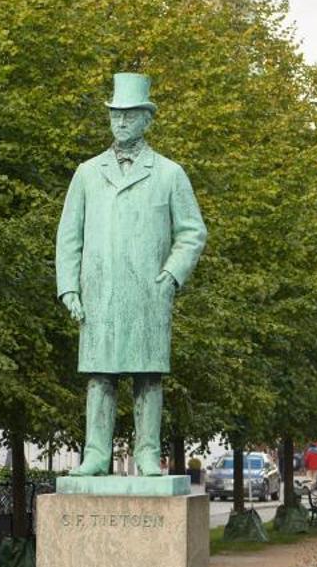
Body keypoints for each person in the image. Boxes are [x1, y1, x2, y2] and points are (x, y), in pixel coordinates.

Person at [56, 72, 207, 475]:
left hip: (147, 291)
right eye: (114, 115)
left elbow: (192, 232)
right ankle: (96, 453)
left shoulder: (170, 174)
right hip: (99, 292)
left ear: (146, 119)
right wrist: (68, 287)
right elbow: (68, 236)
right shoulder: (87, 173)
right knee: (99, 376)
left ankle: (145, 452)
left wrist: (172, 275)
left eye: (129, 115)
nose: (120, 123)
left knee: (148, 376)